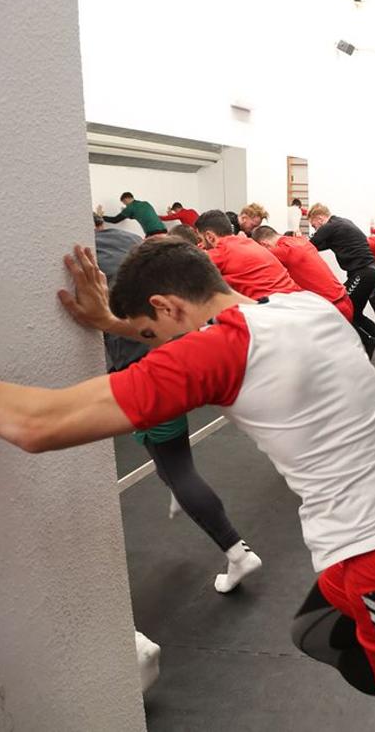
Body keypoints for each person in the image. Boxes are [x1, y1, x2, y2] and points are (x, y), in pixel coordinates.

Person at [0, 241, 375, 732]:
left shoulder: (214, 354)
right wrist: (112, 320)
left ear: (169, 307)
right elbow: (196, 316)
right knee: (314, 633)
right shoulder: (295, 305)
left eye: (155, 330)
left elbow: (34, 424)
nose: (162, 346)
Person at [94, 215, 258, 591]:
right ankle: (178, 492)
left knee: (177, 468)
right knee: (169, 461)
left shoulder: (86, 257)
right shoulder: (125, 240)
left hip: (149, 368)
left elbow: (34, 427)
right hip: (163, 353)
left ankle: (238, 552)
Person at [308, 204, 375, 364]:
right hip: (368, 272)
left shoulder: (330, 226)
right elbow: (321, 246)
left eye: (314, 226)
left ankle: (369, 341)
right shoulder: (341, 223)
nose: (315, 229)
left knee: (340, 308)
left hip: (363, 273)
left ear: (320, 219)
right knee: (355, 314)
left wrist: (292, 240)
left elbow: (309, 246)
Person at [251, 225, 354, 322]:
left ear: (264, 244)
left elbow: (252, 258)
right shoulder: (301, 241)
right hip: (344, 301)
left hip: (330, 310)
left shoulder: (283, 251)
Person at [98, 192, 168, 237]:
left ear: (126, 199)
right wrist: (126, 213)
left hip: (153, 232)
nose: (125, 205)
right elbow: (140, 215)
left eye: (124, 203)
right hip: (164, 230)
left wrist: (101, 217)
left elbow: (115, 220)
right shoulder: (146, 203)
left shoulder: (130, 208)